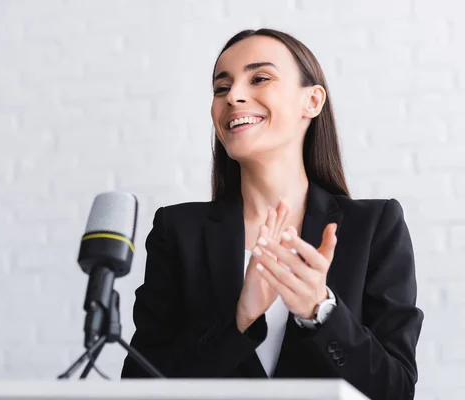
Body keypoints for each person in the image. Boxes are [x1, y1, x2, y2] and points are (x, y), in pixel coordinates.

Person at [120, 28, 424, 400]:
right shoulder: (177, 231)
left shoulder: (375, 227)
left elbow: (395, 391)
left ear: (311, 102)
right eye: (221, 88)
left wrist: (321, 311)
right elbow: (139, 387)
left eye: (260, 78)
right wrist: (239, 321)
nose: (233, 96)